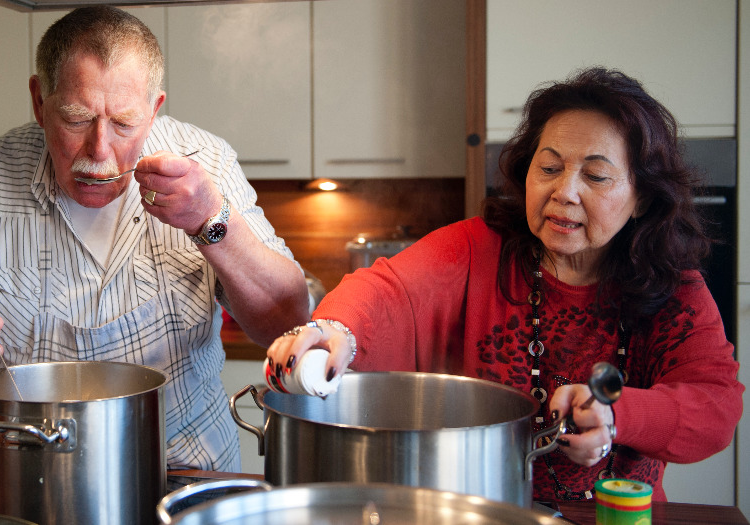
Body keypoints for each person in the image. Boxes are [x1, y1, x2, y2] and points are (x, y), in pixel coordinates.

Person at [267, 67, 744, 501]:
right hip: (480, 512)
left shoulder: (672, 287)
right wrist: (336, 327)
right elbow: (388, 290)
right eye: (550, 167)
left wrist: (620, 416)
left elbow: (715, 405)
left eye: (595, 175)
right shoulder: (479, 248)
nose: (565, 192)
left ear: (641, 197)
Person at [0, 5, 309, 472]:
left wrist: (212, 220)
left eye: (124, 123)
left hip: (185, 478)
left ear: (154, 108)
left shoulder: (209, 164)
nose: (99, 151)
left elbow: (287, 323)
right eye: (76, 119)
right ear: (39, 101)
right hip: (30, 483)